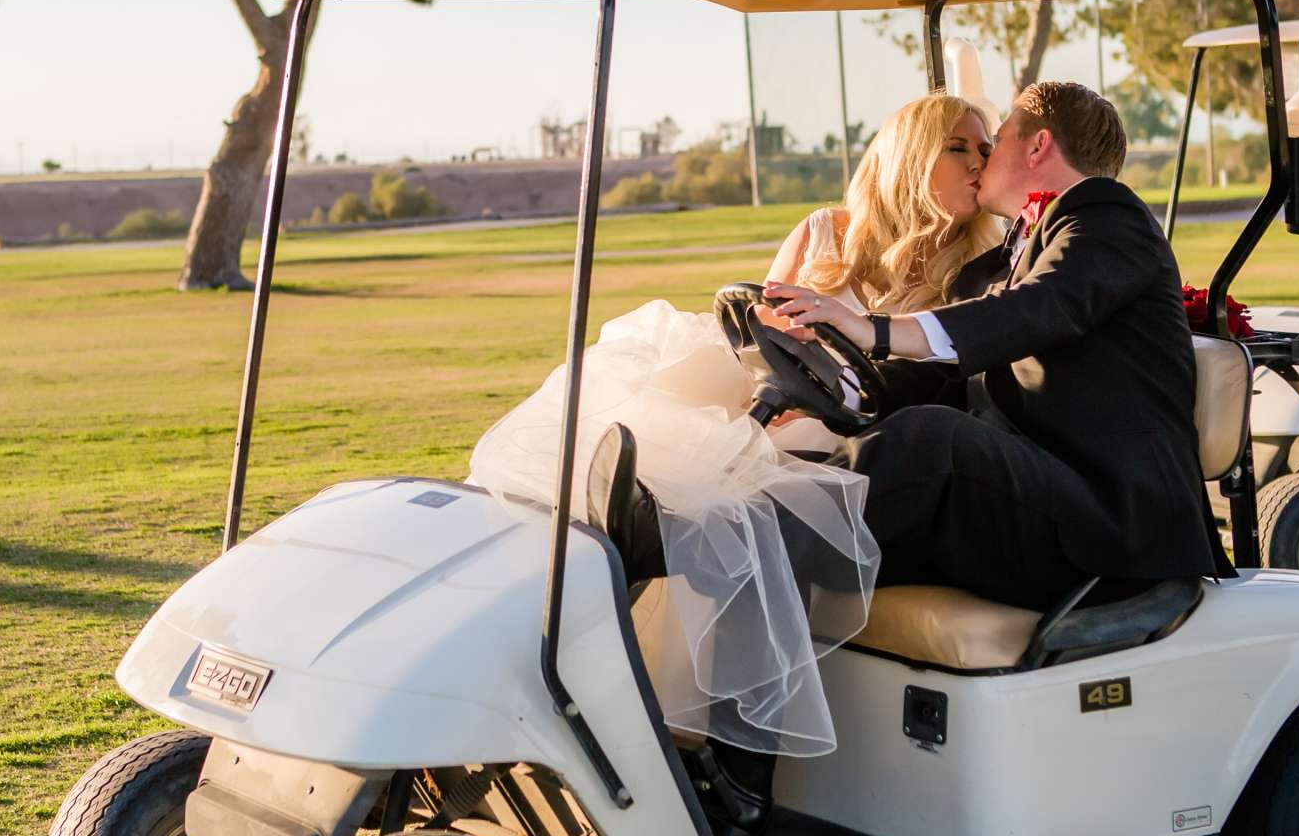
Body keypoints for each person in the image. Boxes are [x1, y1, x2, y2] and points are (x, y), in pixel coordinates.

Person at [468, 93, 1003, 765]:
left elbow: (927, 399)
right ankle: (526, 687)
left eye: (988, 148)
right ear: (911, 156)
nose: (982, 162)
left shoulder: (981, 272)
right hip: (767, 424)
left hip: (861, 456)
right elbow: (756, 343)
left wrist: (816, 403)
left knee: (739, 512)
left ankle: (727, 775)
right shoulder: (823, 235)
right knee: (654, 459)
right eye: (963, 146)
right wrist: (773, 385)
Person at [762, 78, 1227, 609]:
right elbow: (942, 379)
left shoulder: (1107, 217)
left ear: (1036, 145)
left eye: (996, 140)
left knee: (931, 440)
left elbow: (1034, 311)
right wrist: (825, 390)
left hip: (1118, 528)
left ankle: (727, 551)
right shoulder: (991, 266)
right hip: (1033, 509)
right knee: (817, 506)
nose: (983, 160)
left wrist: (874, 329)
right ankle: (725, 560)